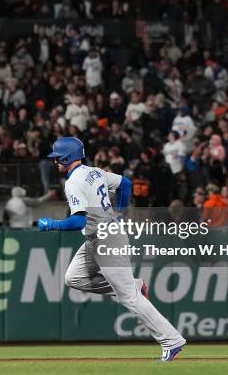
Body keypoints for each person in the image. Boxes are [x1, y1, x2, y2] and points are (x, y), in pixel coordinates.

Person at [36, 137, 186, 361]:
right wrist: (122, 211)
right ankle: (134, 285)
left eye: (58, 157)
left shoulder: (74, 182)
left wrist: (53, 225)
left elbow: (78, 221)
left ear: (67, 157)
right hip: (97, 238)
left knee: (130, 298)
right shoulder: (94, 171)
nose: (55, 161)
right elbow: (125, 184)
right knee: (74, 278)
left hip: (107, 239)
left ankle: (171, 340)